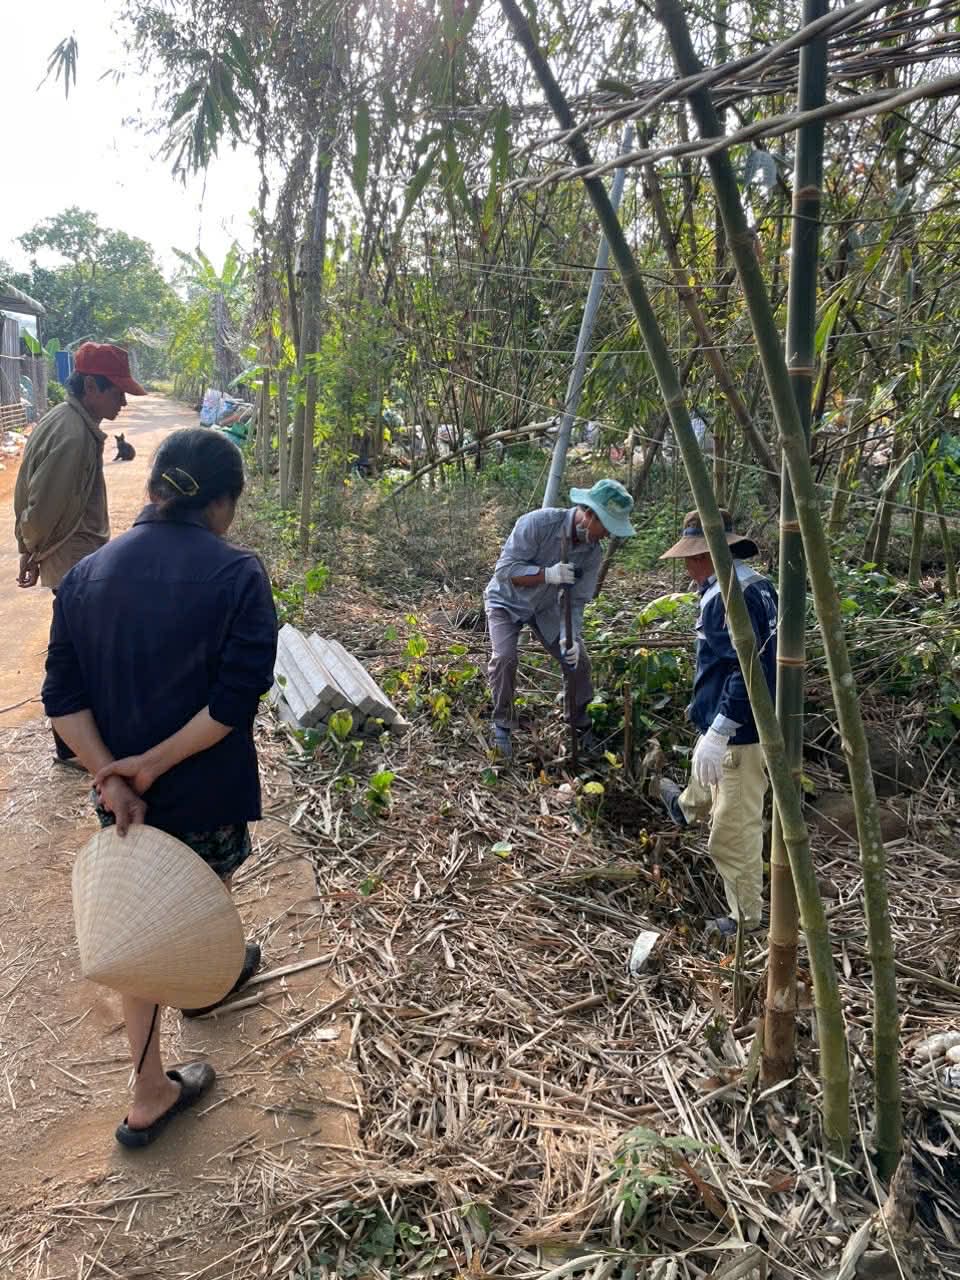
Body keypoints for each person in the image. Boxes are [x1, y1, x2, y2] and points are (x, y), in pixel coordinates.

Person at [42, 428, 278, 1148]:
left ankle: (205, 976)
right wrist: (150, 764)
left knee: (141, 917)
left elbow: (62, 698)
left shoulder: (85, 575)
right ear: (222, 504)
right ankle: (148, 1092)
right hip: (202, 791)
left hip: (123, 806)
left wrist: (113, 775)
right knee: (187, 903)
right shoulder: (238, 575)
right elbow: (234, 703)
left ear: (152, 489)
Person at [14, 342, 147, 763]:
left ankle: (71, 743)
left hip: (74, 558)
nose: (123, 401)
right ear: (91, 385)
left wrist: (30, 548)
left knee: (75, 648)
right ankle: (74, 745)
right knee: (78, 654)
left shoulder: (68, 421)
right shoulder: (73, 435)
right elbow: (46, 503)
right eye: (116, 392)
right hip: (75, 562)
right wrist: (33, 550)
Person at [658, 509, 778, 939]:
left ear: (713, 553)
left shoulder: (736, 596)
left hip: (743, 730)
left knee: (732, 831)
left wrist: (723, 726)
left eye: (692, 557)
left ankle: (745, 919)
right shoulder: (753, 584)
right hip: (733, 719)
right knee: (705, 768)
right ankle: (686, 807)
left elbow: (748, 669)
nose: (688, 567)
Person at [484, 478, 635, 759]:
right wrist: (547, 574)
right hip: (507, 602)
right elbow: (505, 571)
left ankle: (579, 725)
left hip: (548, 609)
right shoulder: (538, 524)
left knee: (579, 663)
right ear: (590, 515)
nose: (606, 536)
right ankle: (502, 724)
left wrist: (570, 635)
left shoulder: (592, 553)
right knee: (505, 658)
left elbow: (576, 601)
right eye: (606, 527)